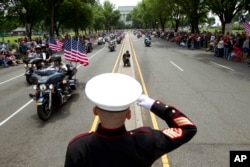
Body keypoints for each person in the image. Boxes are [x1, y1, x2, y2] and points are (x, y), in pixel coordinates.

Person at [64, 73, 197, 167]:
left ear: (95, 112)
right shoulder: (146, 140)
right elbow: (188, 129)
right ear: (129, 114)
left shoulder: (78, 146)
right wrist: (152, 104)